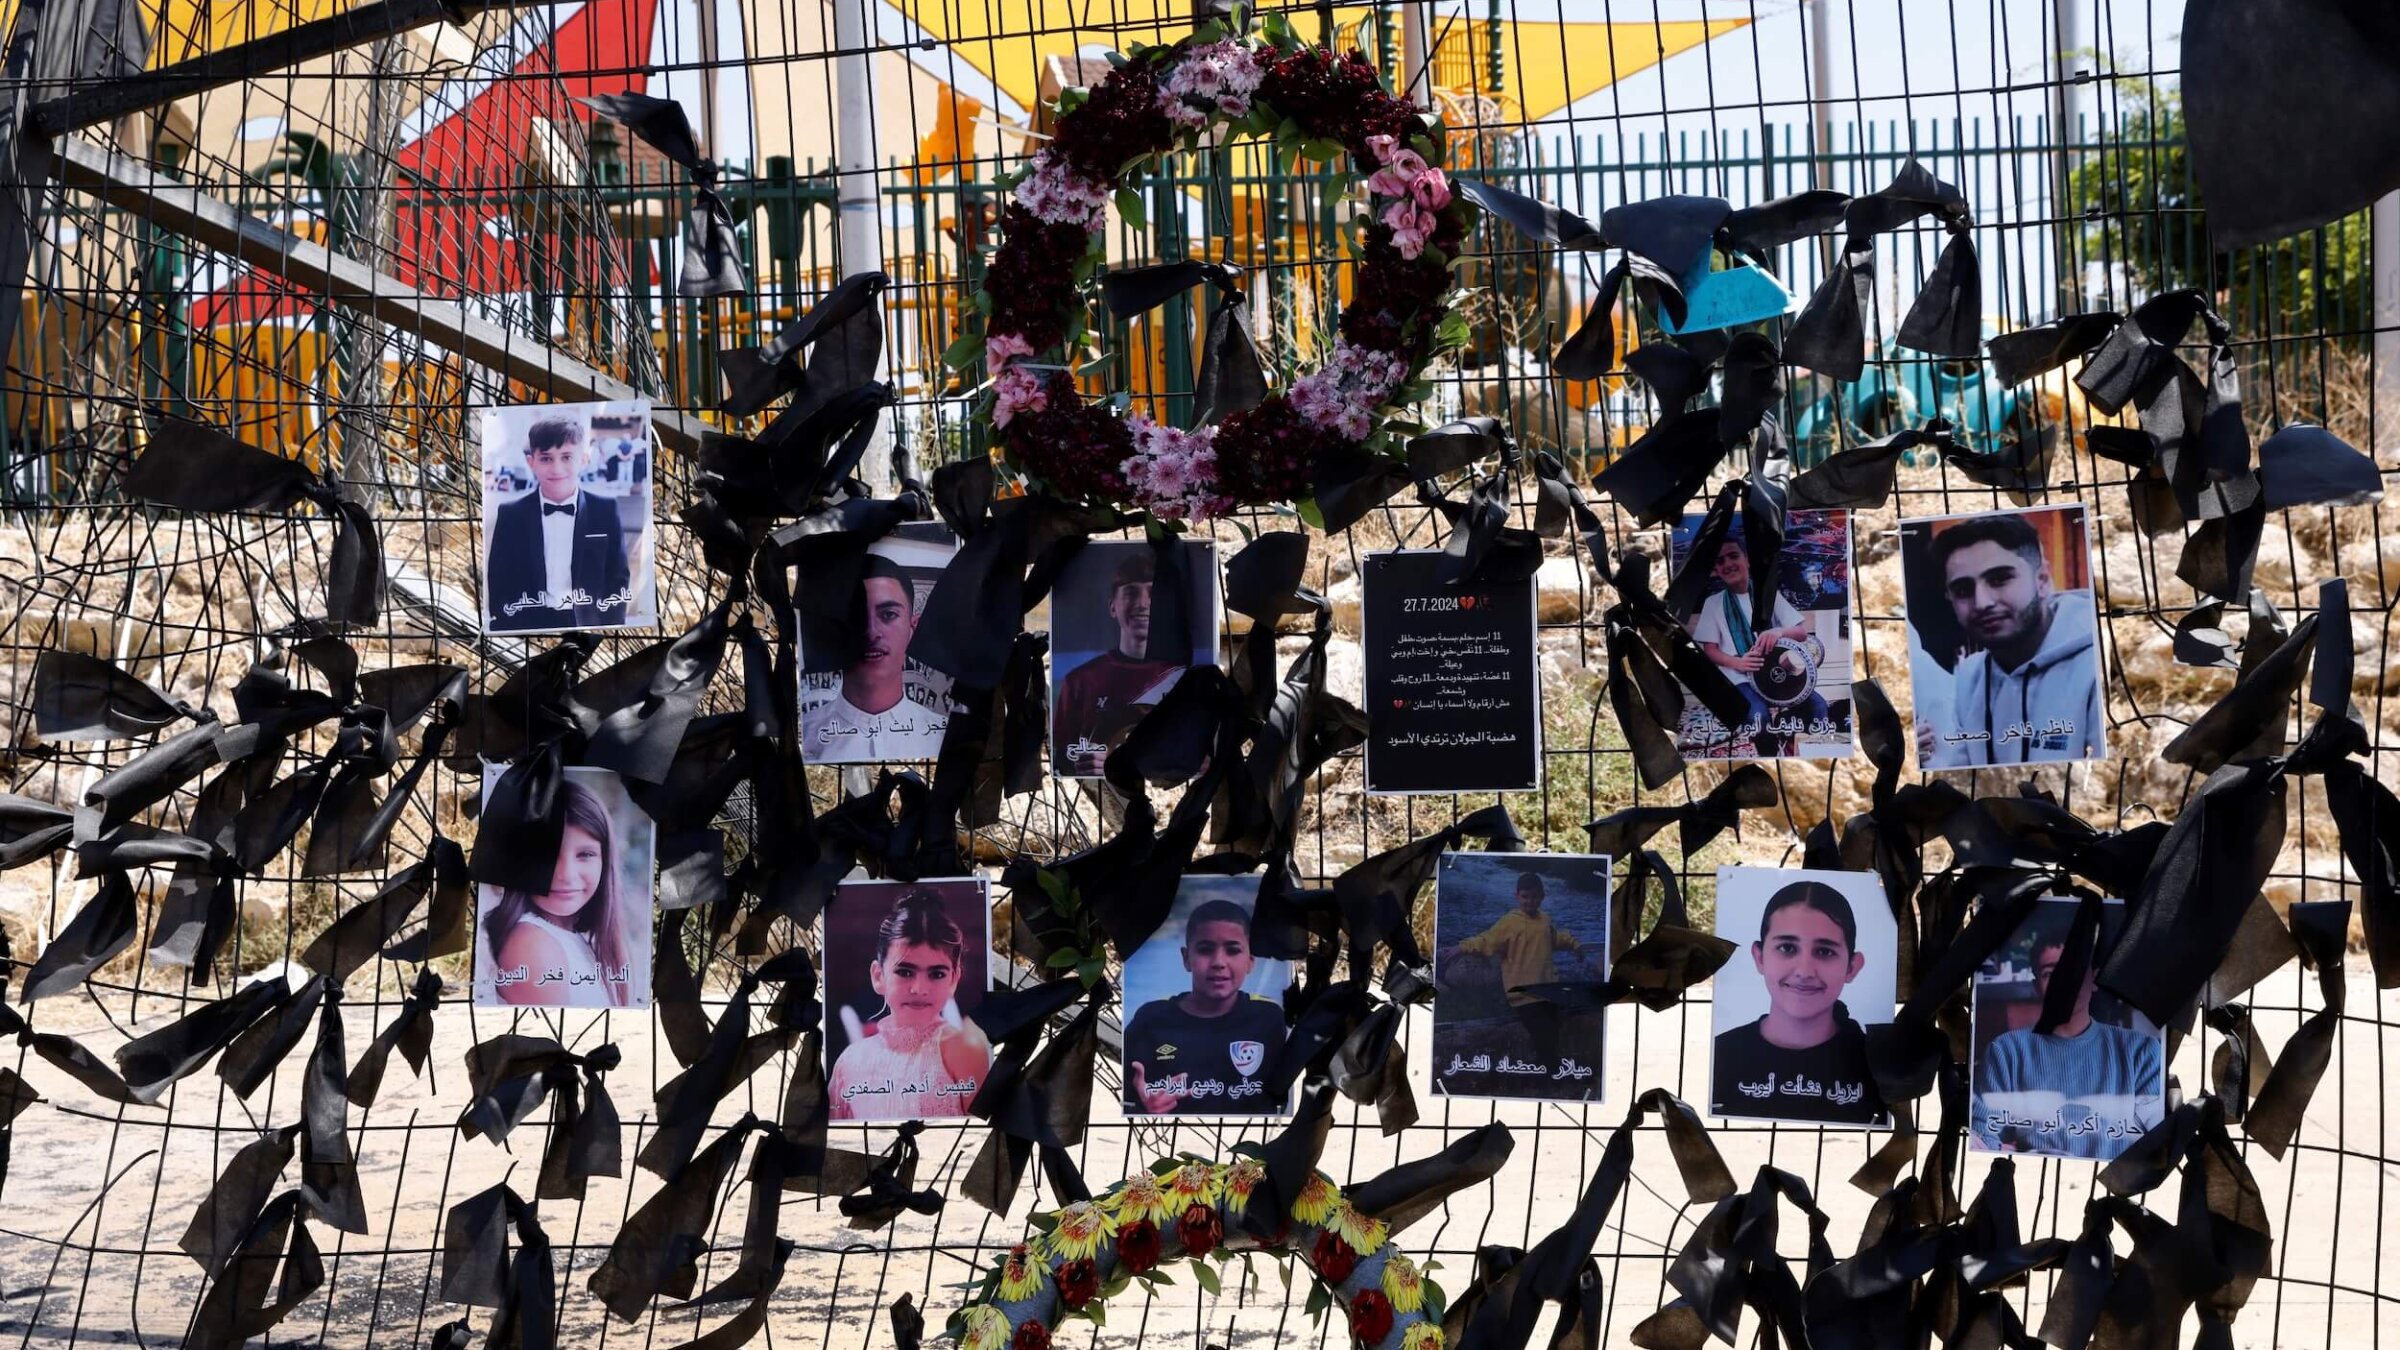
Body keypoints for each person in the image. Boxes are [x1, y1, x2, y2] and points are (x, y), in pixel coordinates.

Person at [1917, 513, 2104, 767]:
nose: (1982, 603)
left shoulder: (2096, 662)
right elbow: (1961, 773)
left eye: (1999, 579)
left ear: (2042, 579)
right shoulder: (1969, 678)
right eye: (1963, 590)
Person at [1972, 919, 2165, 1159]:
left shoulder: (2142, 1051)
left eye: (2072, 970)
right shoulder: (2006, 1051)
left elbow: (2154, 1146)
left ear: (2094, 980)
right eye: (2049, 973)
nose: (2063, 983)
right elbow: (1981, 1137)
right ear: (2036, 986)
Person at [1711, 880, 1887, 1124]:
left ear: (1852, 967)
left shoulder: (1878, 1066)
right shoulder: (1721, 1054)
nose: (1804, 971)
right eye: (1787, 948)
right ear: (1759, 957)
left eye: (1825, 952)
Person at [829, 888, 992, 1121]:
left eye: (936, 974)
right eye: (905, 972)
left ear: (953, 979)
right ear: (878, 976)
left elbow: (981, 1140)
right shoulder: (850, 1060)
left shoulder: (963, 1049)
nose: (919, 989)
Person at [1123, 899, 1287, 1115]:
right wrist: (1146, 1108)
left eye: (1233, 950)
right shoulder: (1151, 1020)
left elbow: (1281, 1102)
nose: (1219, 962)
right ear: (1186, 958)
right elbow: (1130, 1098)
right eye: (1205, 949)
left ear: (1250, 961)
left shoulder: (1269, 1018)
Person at [484, 781, 635, 1007]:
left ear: (605, 861)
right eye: (548, 854)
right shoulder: (533, 944)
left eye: (585, 854)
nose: (566, 875)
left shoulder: (586, 938)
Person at [485, 416, 634, 632]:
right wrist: (510, 626)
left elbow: (618, 575)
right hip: (528, 623)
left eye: (566, 457)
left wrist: (608, 626)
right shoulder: (511, 514)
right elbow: (499, 578)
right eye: (546, 459)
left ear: (583, 460)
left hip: (586, 623)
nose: (556, 468)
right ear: (531, 462)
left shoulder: (605, 510)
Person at [1687, 534, 1827, 756]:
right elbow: (1710, 650)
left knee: (1818, 707)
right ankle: (1771, 757)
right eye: (1720, 561)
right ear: (1716, 569)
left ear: (1747, 560)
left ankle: (1787, 731)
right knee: (1757, 718)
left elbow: (1801, 633)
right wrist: (1738, 663)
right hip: (1741, 677)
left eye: (1733, 556)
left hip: (1777, 671)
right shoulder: (1713, 604)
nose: (1727, 564)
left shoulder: (1768, 594)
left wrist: (1778, 630)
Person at [1443, 871, 1598, 1066]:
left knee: (1554, 1026)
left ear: (1542, 896)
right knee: (1543, 1031)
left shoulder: (1545, 920)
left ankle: (1546, 1067)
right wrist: (1462, 947)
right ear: (1517, 896)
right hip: (1522, 993)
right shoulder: (1510, 922)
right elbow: (1488, 940)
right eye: (1525, 896)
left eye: (1534, 896)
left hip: (1547, 989)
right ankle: (1549, 1070)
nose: (1529, 901)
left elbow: (1553, 939)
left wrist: (1574, 944)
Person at [803, 555, 946, 759]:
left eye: (888, 615)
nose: (871, 632)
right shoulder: (806, 735)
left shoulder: (941, 735)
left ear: (913, 627)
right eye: (856, 616)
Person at [1056, 551, 1185, 775]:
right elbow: (1062, 757)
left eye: (1152, 593)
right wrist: (1083, 764)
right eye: (1131, 592)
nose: (1143, 604)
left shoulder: (1183, 678)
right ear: (1112, 607)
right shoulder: (1079, 680)